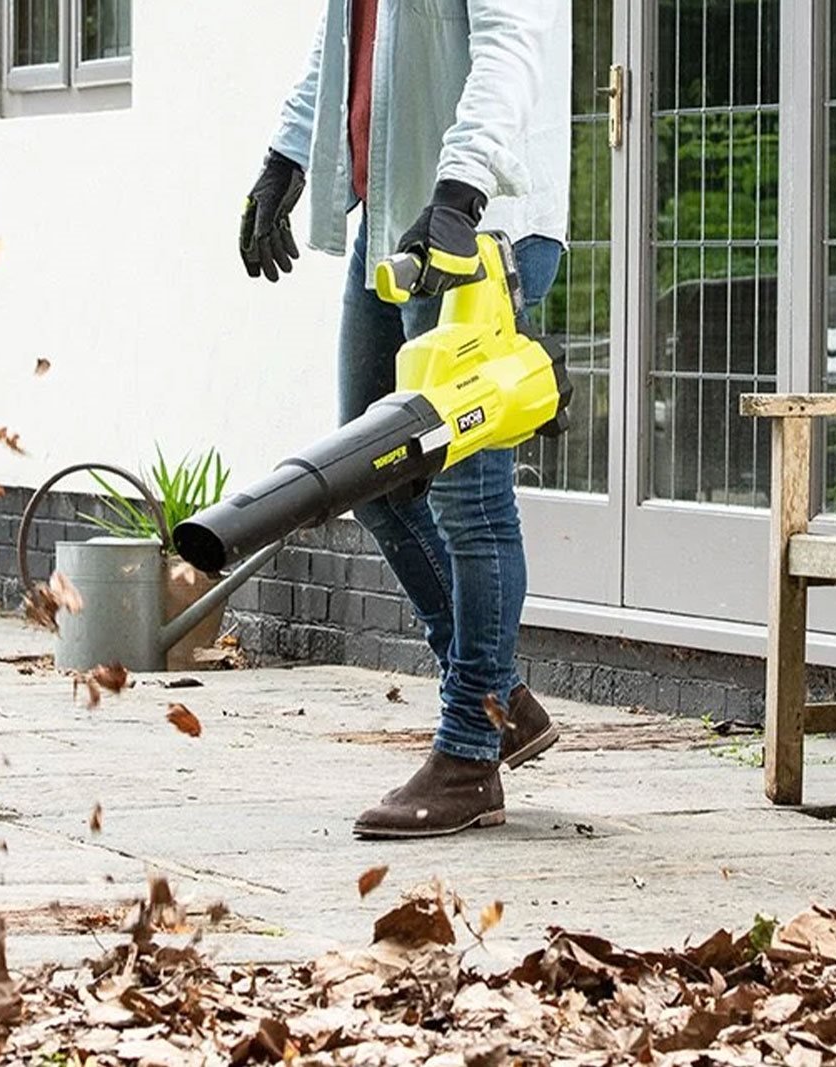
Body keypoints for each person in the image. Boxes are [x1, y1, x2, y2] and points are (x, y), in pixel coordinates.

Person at [239, 1, 572, 839]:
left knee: (470, 498)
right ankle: (497, 700)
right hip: (394, 222)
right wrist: (287, 155)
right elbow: (349, 42)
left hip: (476, 225)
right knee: (376, 478)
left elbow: (513, 42)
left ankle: (468, 751)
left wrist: (461, 190)